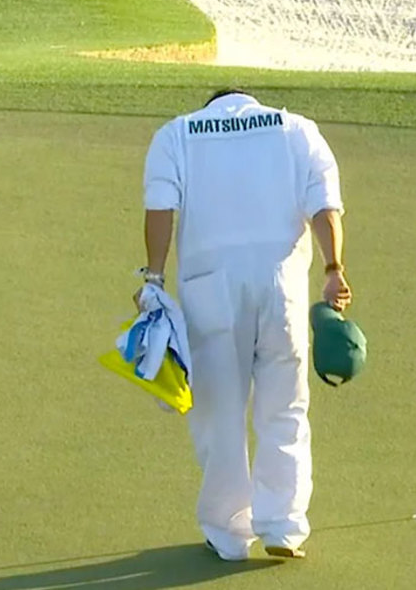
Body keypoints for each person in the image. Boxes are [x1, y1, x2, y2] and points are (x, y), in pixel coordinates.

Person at [136, 89, 351, 561]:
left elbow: (160, 208)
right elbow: (324, 207)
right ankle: (284, 526)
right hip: (283, 289)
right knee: (285, 408)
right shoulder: (296, 130)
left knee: (219, 415)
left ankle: (230, 533)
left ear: (214, 104)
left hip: (210, 289)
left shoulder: (178, 133)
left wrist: (153, 277)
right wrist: (334, 268)